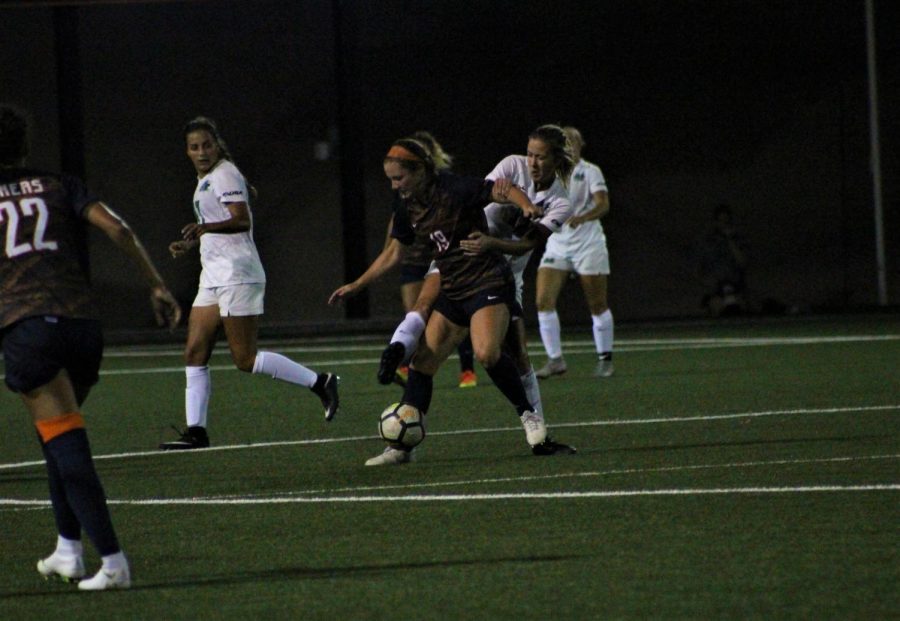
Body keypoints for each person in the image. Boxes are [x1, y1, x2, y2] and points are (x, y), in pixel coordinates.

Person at [0, 104, 182, 590]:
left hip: (27, 328)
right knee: (55, 440)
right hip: (82, 326)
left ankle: (114, 562)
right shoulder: (61, 184)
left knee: (67, 445)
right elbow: (118, 227)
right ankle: (67, 549)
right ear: (23, 146)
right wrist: (156, 284)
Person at [361, 135, 557, 466]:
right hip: (452, 285)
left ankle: (529, 416)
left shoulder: (454, 188)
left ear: (420, 170)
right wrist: (356, 285)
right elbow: (394, 251)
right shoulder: (407, 203)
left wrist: (524, 205)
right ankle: (401, 448)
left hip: (488, 279)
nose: (395, 186)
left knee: (487, 352)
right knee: (423, 363)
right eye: (391, 179)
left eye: (399, 178)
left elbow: (501, 189)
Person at [160, 116, 339, 450]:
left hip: (238, 274)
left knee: (245, 359)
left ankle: (320, 383)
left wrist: (205, 229)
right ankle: (196, 432)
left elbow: (240, 220)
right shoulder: (205, 180)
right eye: (194, 147)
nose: (201, 152)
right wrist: (192, 241)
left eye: (206, 145)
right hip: (213, 275)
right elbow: (215, 224)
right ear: (186, 151)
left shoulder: (224, 173)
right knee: (194, 351)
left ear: (216, 145)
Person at [385, 131, 477, 389]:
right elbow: (396, 222)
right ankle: (408, 365)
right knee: (414, 313)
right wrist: (388, 253)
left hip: (438, 257)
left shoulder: (443, 185)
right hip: (413, 257)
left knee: (455, 313)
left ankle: (467, 370)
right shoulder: (401, 188)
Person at [534, 126, 614, 379]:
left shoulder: (590, 171)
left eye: (574, 141)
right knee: (542, 300)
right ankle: (555, 360)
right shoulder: (550, 173)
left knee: (596, 303)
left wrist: (582, 217)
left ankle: (605, 359)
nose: (569, 146)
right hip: (559, 243)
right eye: (564, 142)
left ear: (581, 145)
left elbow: (603, 204)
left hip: (588, 243)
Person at [696, 203, 748, 317]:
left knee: (743, 308)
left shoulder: (738, 240)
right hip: (716, 288)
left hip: (735, 286)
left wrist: (730, 240)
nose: (724, 224)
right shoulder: (708, 242)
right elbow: (702, 267)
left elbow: (742, 262)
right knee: (716, 308)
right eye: (721, 221)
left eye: (726, 221)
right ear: (715, 222)